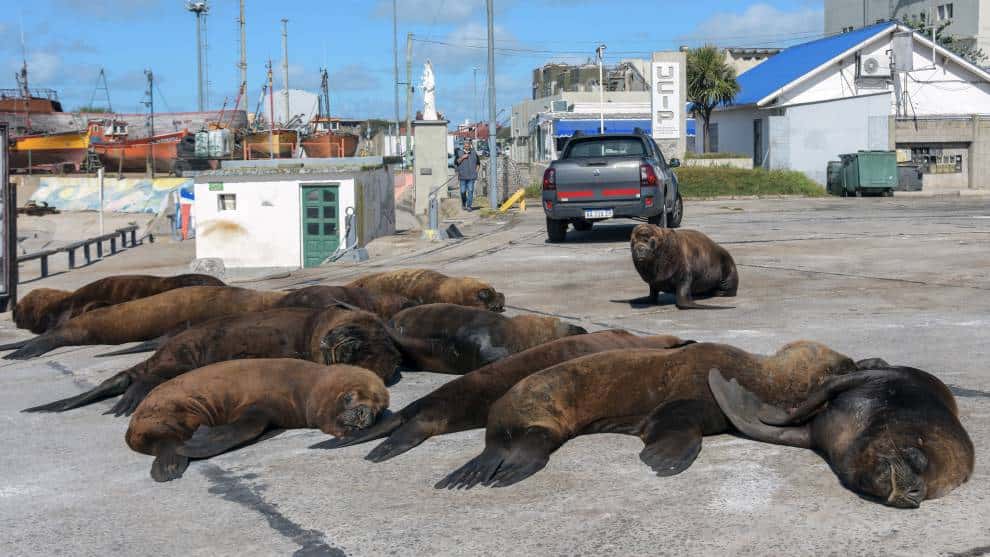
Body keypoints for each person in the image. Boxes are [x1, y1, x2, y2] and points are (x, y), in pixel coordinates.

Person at [455, 139, 481, 211]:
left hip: (471, 177)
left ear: (470, 145)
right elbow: (456, 162)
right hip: (462, 176)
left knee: (470, 191)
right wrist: (462, 157)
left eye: (468, 145)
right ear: (464, 146)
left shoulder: (474, 153)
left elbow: (478, 164)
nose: (467, 147)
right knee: (462, 192)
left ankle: (469, 206)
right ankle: (464, 204)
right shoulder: (459, 152)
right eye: (465, 145)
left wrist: (476, 172)